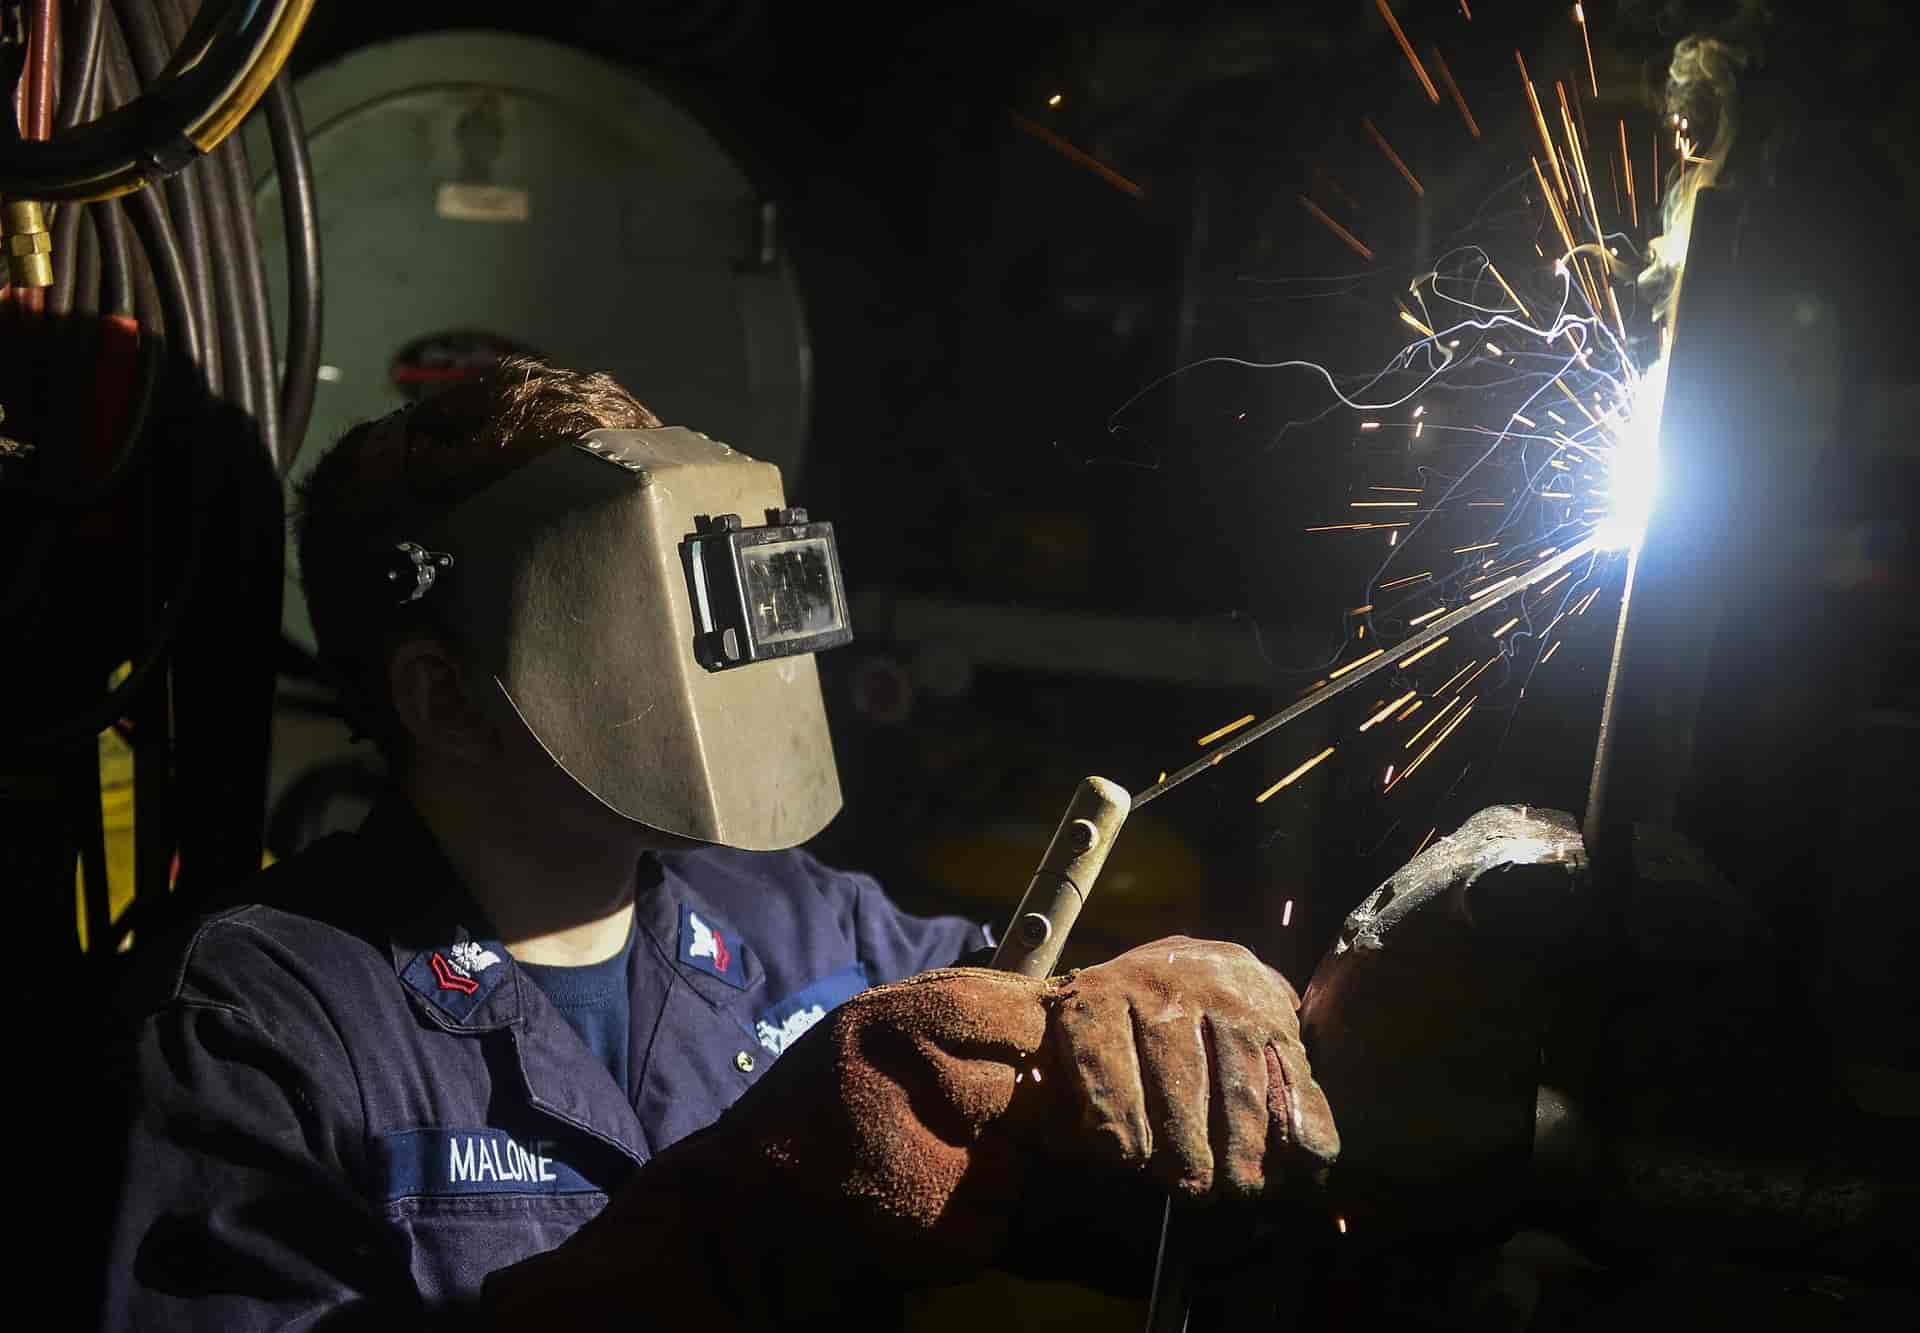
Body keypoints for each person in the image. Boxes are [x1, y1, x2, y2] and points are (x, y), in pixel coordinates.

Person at [98, 359, 1340, 1329]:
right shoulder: (250, 1029)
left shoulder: (815, 932)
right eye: (644, 626)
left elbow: (1117, 1122)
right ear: (445, 697)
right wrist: (757, 1219)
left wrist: (1203, 999)